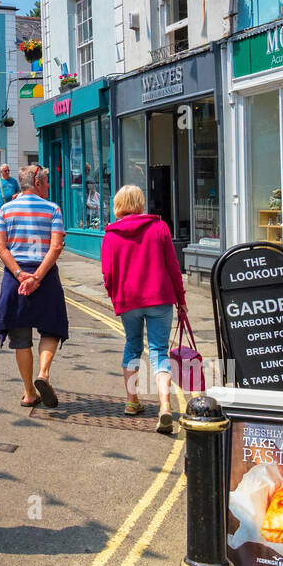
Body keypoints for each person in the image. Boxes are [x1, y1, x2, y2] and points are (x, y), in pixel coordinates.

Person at [99, 184, 187, 433]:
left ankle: (132, 401)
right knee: (159, 350)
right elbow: (173, 266)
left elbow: (108, 274)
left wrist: (114, 297)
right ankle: (165, 406)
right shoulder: (159, 227)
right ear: (140, 203)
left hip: (129, 301)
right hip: (160, 298)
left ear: (118, 205)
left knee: (133, 345)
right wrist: (181, 299)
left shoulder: (111, 234)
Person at [0, 164, 69, 408]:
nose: (48, 186)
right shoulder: (53, 209)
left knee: (21, 337)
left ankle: (29, 392)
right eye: (46, 182)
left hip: (16, 278)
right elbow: (56, 246)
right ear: (37, 183)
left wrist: (19, 274)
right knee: (50, 329)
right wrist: (37, 277)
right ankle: (43, 374)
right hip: (44, 274)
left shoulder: (5, 209)